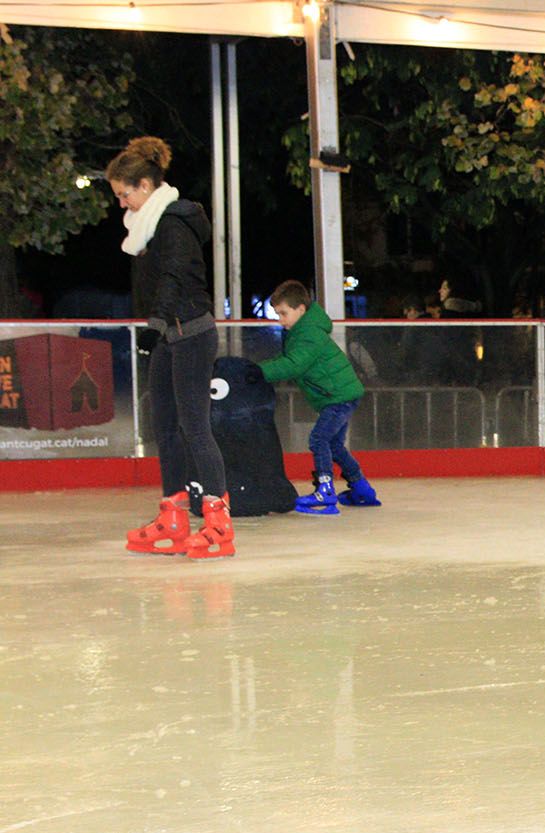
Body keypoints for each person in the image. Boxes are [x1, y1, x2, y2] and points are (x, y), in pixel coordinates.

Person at [113, 136, 234, 560]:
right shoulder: (147, 226)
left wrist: (155, 323)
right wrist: (159, 328)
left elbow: (175, 277)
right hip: (170, 336)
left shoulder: (173, 222)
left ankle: (219, 524)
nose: (122, 203)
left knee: (195, 428)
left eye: (125, 194)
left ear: (145, 186)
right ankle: (174, 515)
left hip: (191, 334)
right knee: (165, 426)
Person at [259, 280, 381, 514]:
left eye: (283, 313)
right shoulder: (301, 331)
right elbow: (287, 360)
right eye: (278, 314)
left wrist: (257, 372)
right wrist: (259, 368)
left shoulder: (308, 334)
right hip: (341, 394)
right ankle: (361, 488)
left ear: (301, 310)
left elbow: (294, 365)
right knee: (334, 444)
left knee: (319, 439)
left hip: (337, 396)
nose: (280, 320)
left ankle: (325, 491)